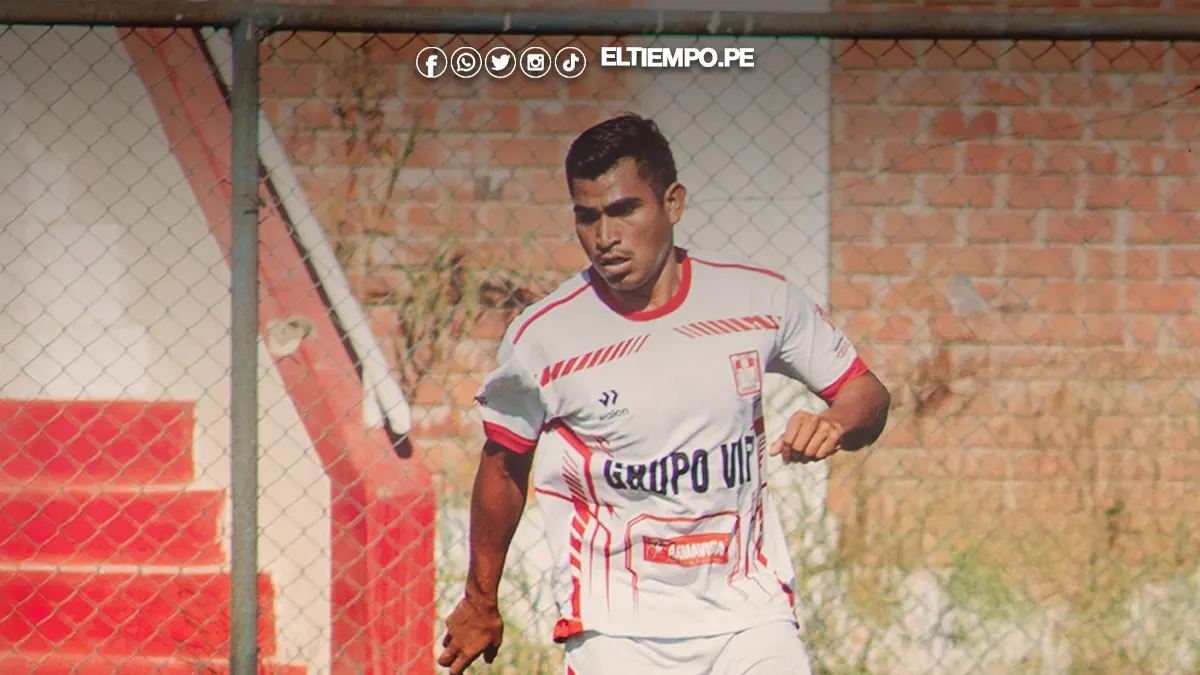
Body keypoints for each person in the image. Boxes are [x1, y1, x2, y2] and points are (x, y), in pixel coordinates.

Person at [437, 113, 891, 675]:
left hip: (748, 615)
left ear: (672, 204)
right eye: (588, 216)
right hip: (616, 627)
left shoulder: (759, 303)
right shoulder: (544, 338)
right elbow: (504, 465)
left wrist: (836, 423)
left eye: (625, 210)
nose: (605, 237)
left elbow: (867, 393)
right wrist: (480, 600)